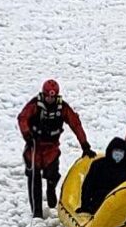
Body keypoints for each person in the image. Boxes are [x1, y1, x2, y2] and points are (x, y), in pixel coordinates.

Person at [17, 79, 96, 218]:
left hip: (51, 147)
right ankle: (37, 213)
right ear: (43, 94)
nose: (50, 99)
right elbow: (22, 118)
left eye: (53, 97)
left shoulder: (63, 108)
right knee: (34, 178)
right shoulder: (35, 105)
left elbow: (75, 124)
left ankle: (51, 188)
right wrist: (27, 134)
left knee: (53, 173)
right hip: (35, 146)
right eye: (48, 96)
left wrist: (85, 145)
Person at [78, 137, 126, 215]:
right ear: (111, 151)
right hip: (99, 202)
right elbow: (87, 187)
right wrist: (85, 206)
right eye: (116, 150)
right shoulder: (98, 165)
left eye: (121, 151)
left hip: (118, 203)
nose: (118, 154)